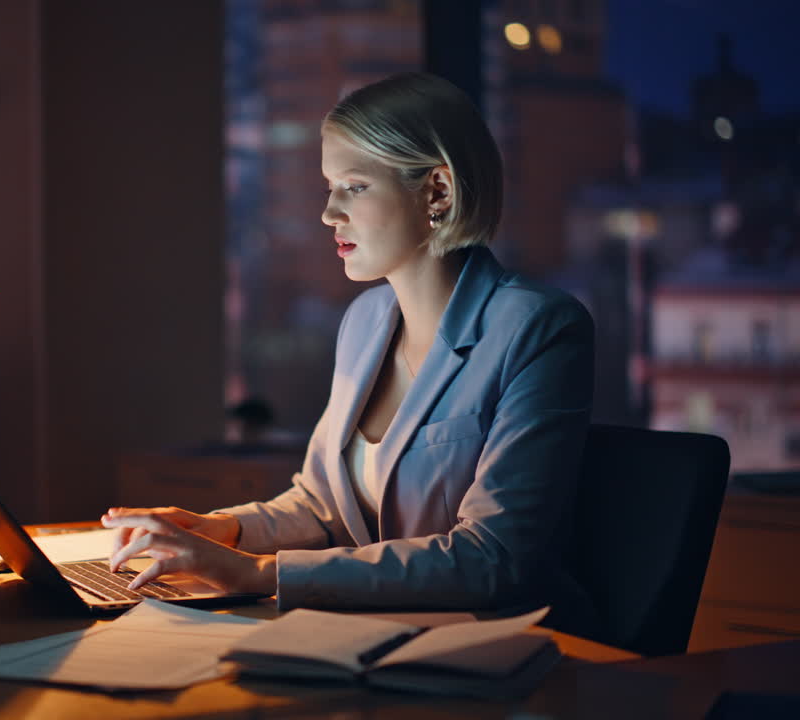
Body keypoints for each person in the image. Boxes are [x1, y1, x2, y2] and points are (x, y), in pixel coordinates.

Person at [103, 72, 597, 635]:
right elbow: (322, 505)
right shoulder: (365, 321)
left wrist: (258, 573)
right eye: (329, 188)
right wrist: (222, 531)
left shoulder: (537, 328)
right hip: (373, 632)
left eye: (355, 187)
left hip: (502, 647)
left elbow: (494, 558)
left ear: (437, 191)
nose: (329, 213)